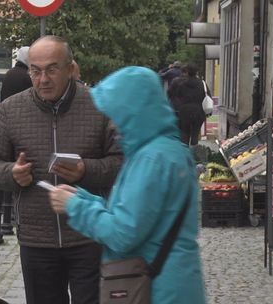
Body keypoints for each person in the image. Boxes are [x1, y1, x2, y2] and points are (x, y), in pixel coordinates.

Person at [0, 35, 123, 304]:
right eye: (35, 71)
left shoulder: (100, 106)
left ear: (70, 69)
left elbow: (121, 163)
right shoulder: (11, 110)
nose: (43, 79)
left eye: (51, 69)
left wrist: (86, 171)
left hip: (89, 234)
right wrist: (12, 174)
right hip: (37, 239)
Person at [49, 66, 206, 304]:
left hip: (157, 289)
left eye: (115, 114)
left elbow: (123, 233)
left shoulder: (151, 159)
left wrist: (75, 207)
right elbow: (139, 214)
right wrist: (84, 198)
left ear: (132, 112)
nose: (111, 124)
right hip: (175, 281)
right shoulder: (167, 149)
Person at [167, 63, 208, 146]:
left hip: (184, 111)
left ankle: (185, 153)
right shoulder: (202, 84)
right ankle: (194, 152)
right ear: (196, 72)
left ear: (187, 72)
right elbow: (207, 96)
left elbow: (176, 95)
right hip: (198, 111)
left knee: (184, 134)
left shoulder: (182, 84)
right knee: (195, 134)